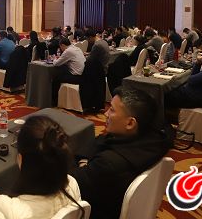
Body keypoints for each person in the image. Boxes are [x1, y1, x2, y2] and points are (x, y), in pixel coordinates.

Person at [70, 87, 172, 219]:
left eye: (112, 110)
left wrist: (84, 164)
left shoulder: (109, 163)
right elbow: (100, 140)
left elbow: (71, 182)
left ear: (130, 123)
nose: (106, 113)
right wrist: (86, 161)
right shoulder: (156, 140)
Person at [51, 37, 85, 105]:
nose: (60, 49)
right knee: (62, 70)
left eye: (60, 47)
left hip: (76, 77)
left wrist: (54, 58)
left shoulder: (68, 51)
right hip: (83, 74)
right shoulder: (77, 48)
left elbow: (56, 64)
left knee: (55, 79)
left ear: (62, 45)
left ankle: (54, 101)